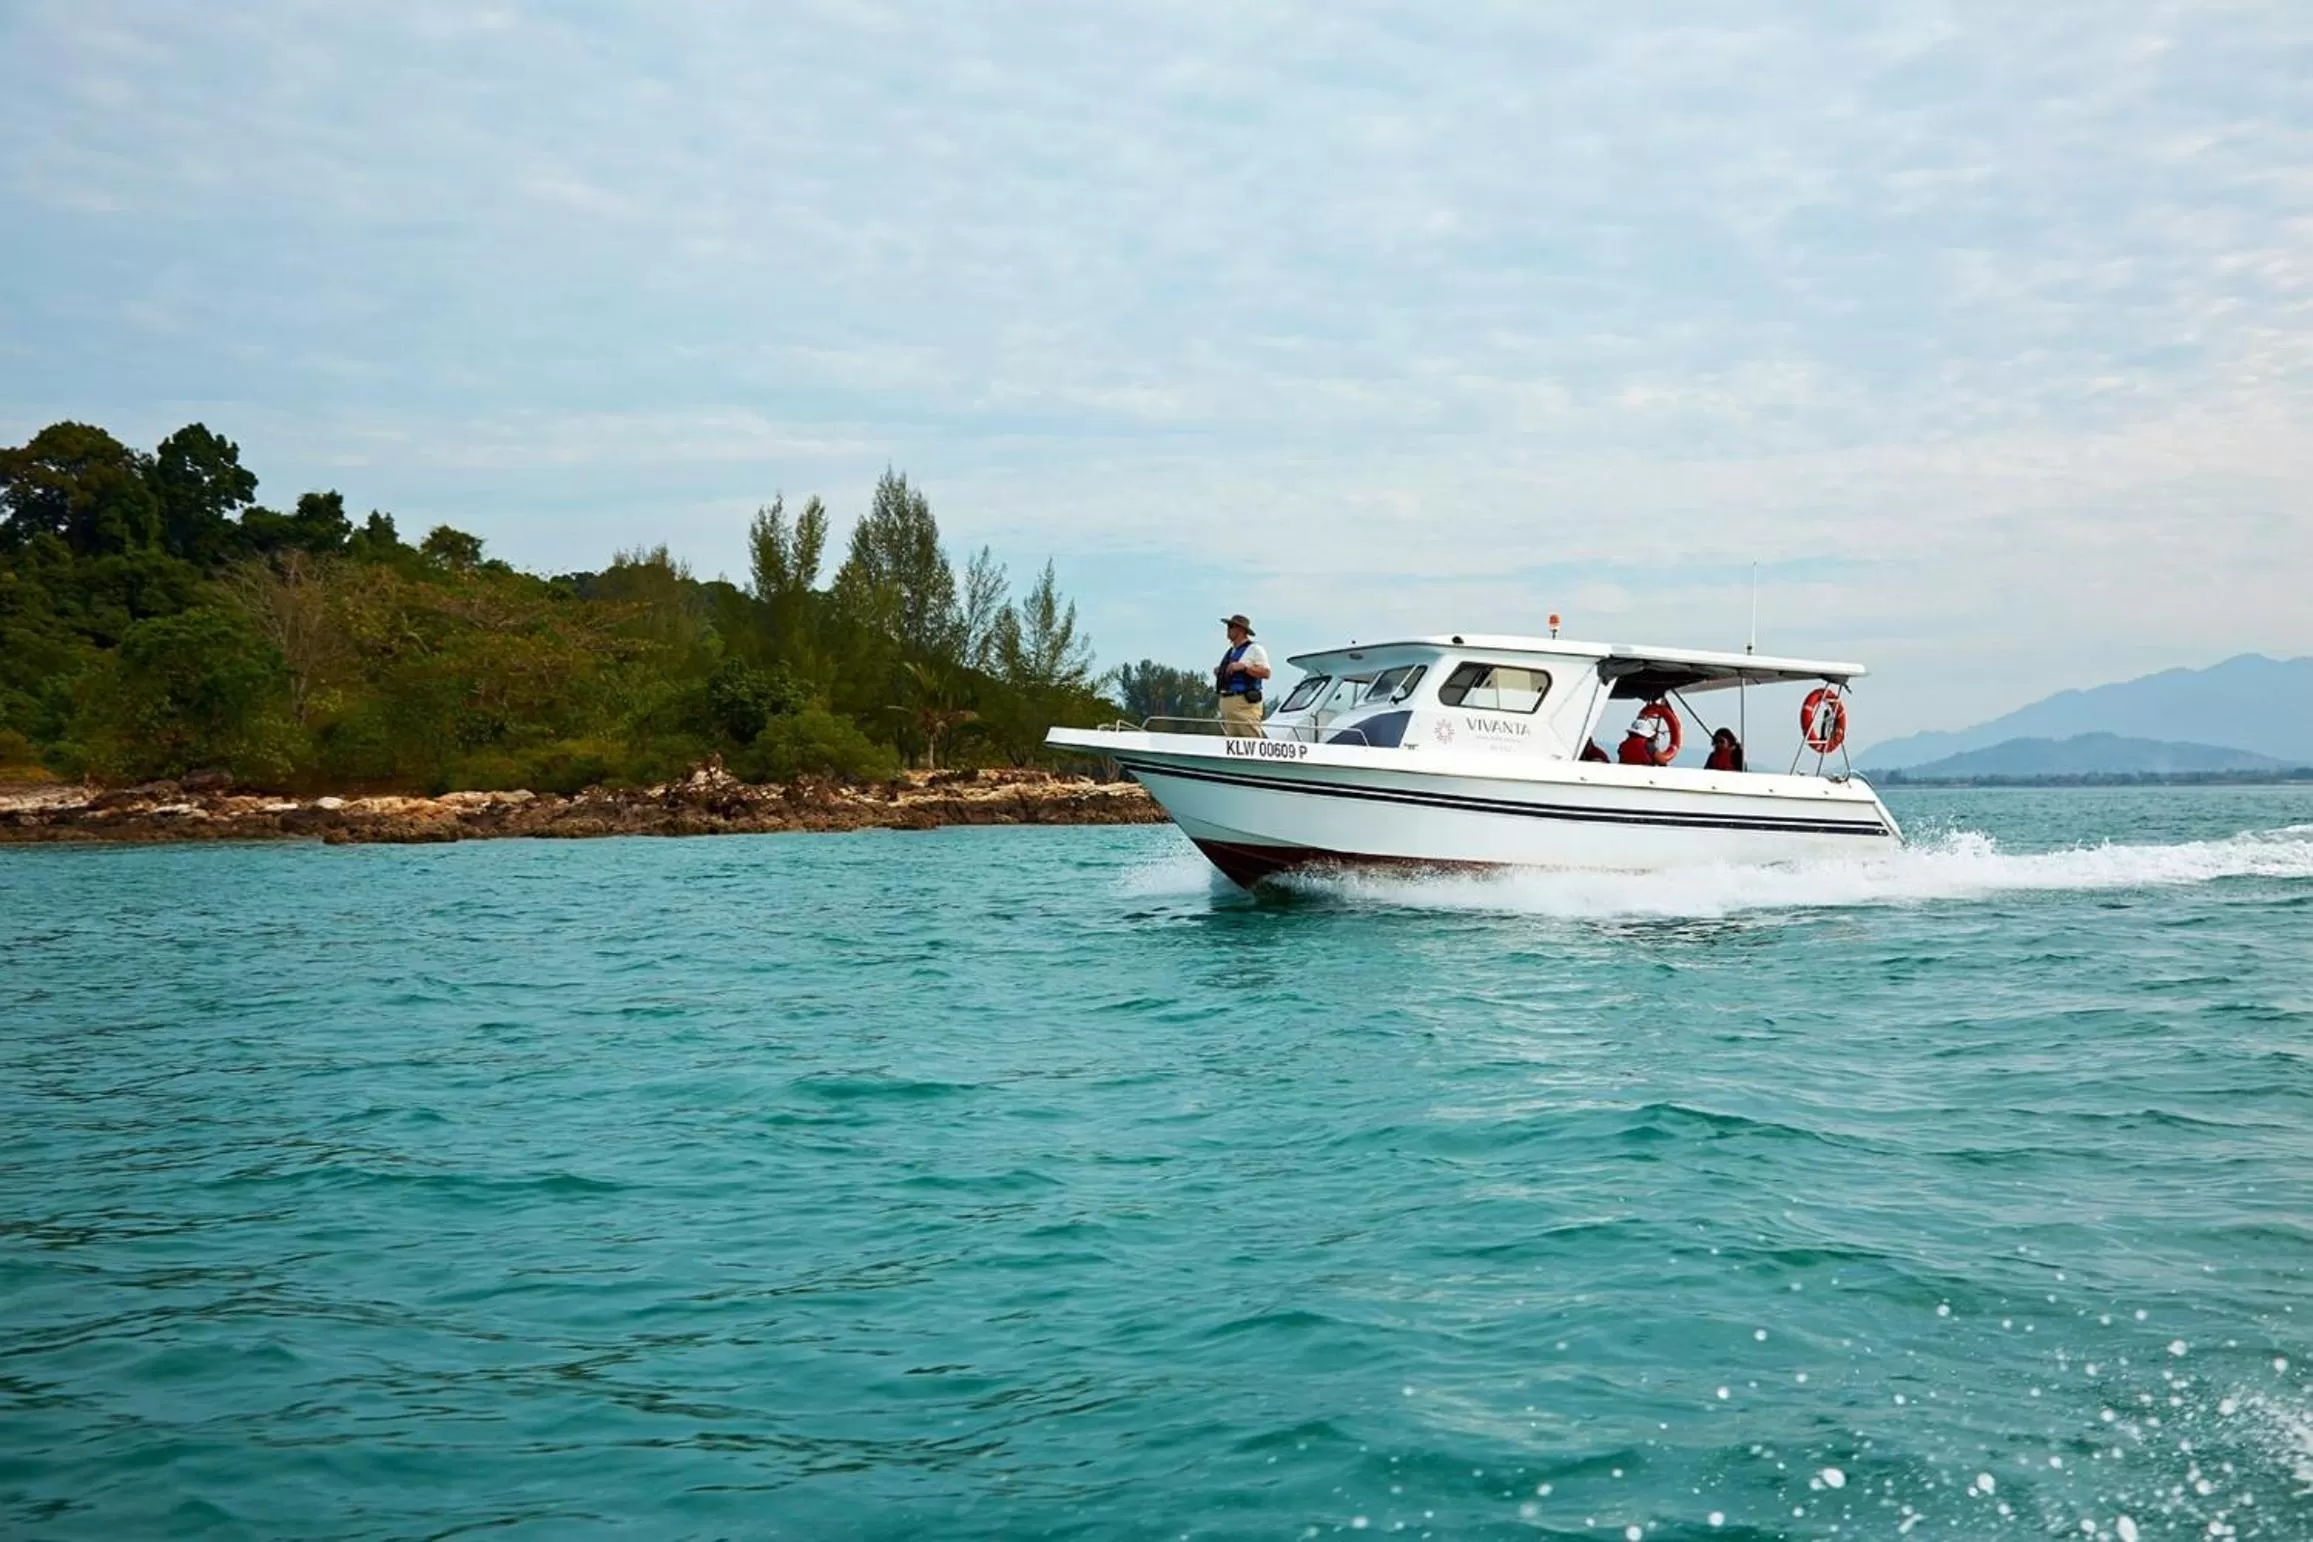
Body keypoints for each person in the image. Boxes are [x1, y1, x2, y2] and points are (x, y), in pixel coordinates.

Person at [1214, 614, 1271, 737]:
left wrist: (1244, 668)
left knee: (1250, 741)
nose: (1228, 630)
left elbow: (1266, 673)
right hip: (1227, 703)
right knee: (1232, 742)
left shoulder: (1255, 649)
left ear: (1241, 630)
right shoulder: (1230, 652)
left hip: (1244, 704)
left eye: (1231, 626)